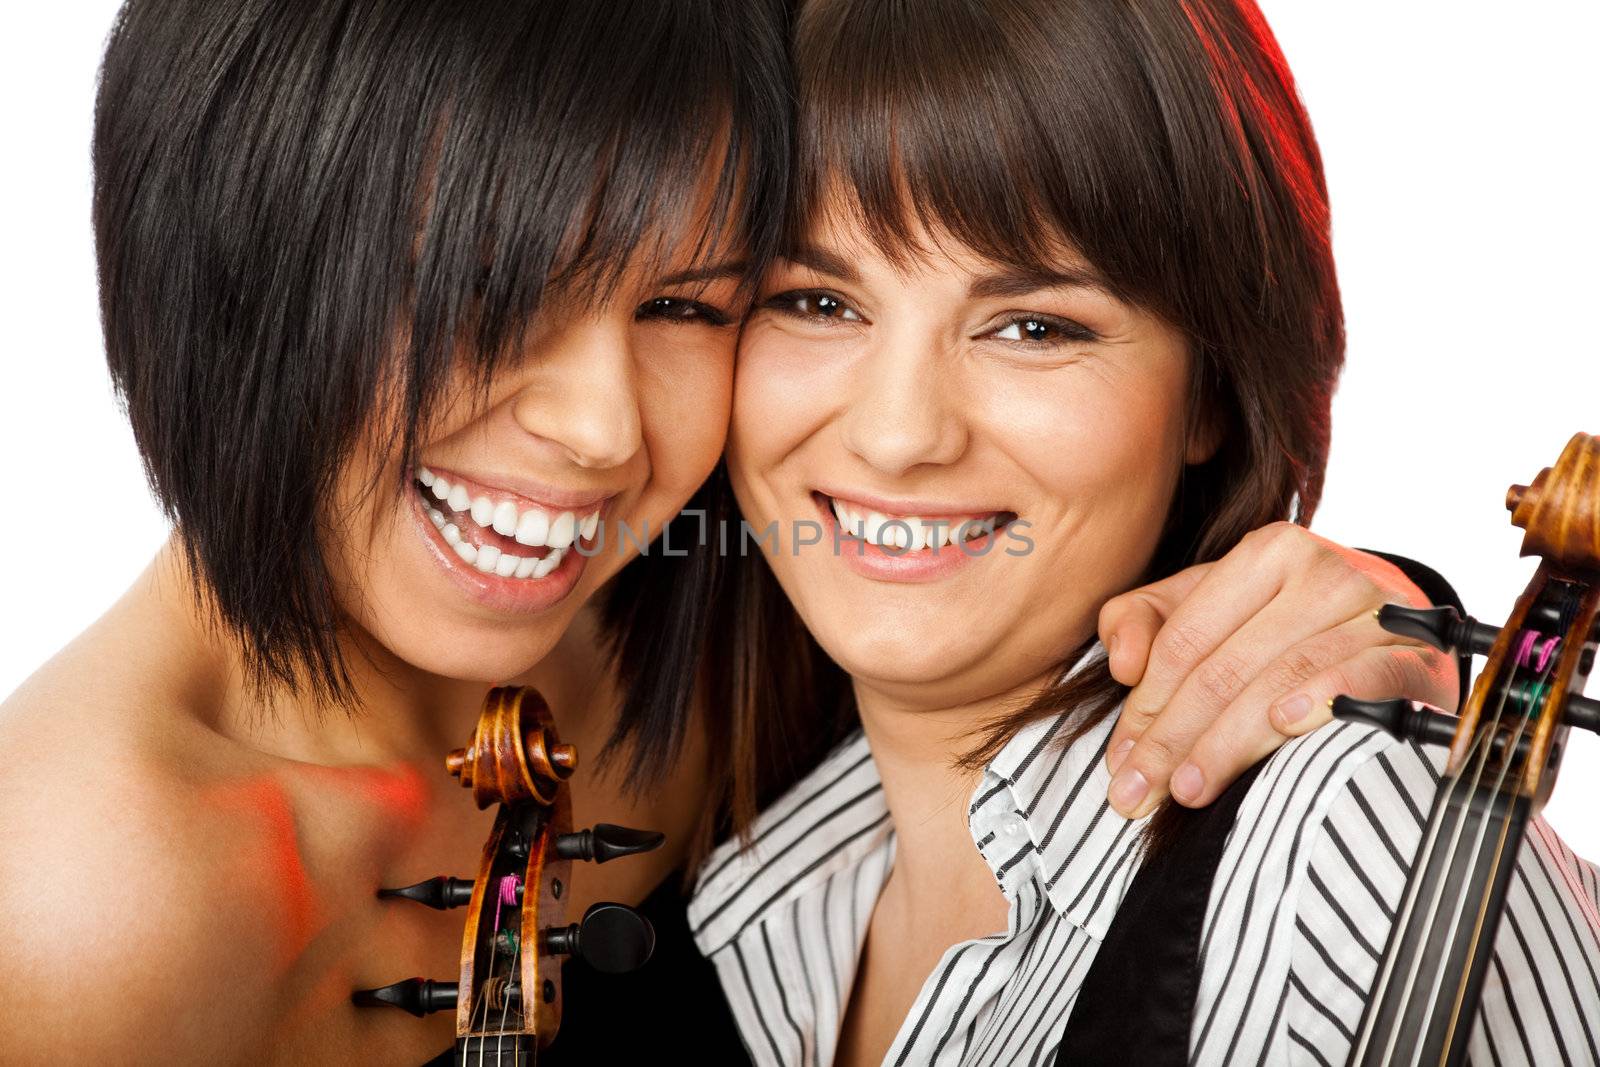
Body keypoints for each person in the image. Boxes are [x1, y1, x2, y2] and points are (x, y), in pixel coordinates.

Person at [0, 1, 1476, 1063]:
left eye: (689, 301)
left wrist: (1374, 612)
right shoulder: (82, 898)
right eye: (489, 290)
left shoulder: (723, 589)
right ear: (234, 248)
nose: (601, 429)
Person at [687, 0, 1600, 1064]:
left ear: (1211, 389)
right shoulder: (748, 899)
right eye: (817, 302)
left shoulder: (1345, 837)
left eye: (1034, 326)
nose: (898, 436)